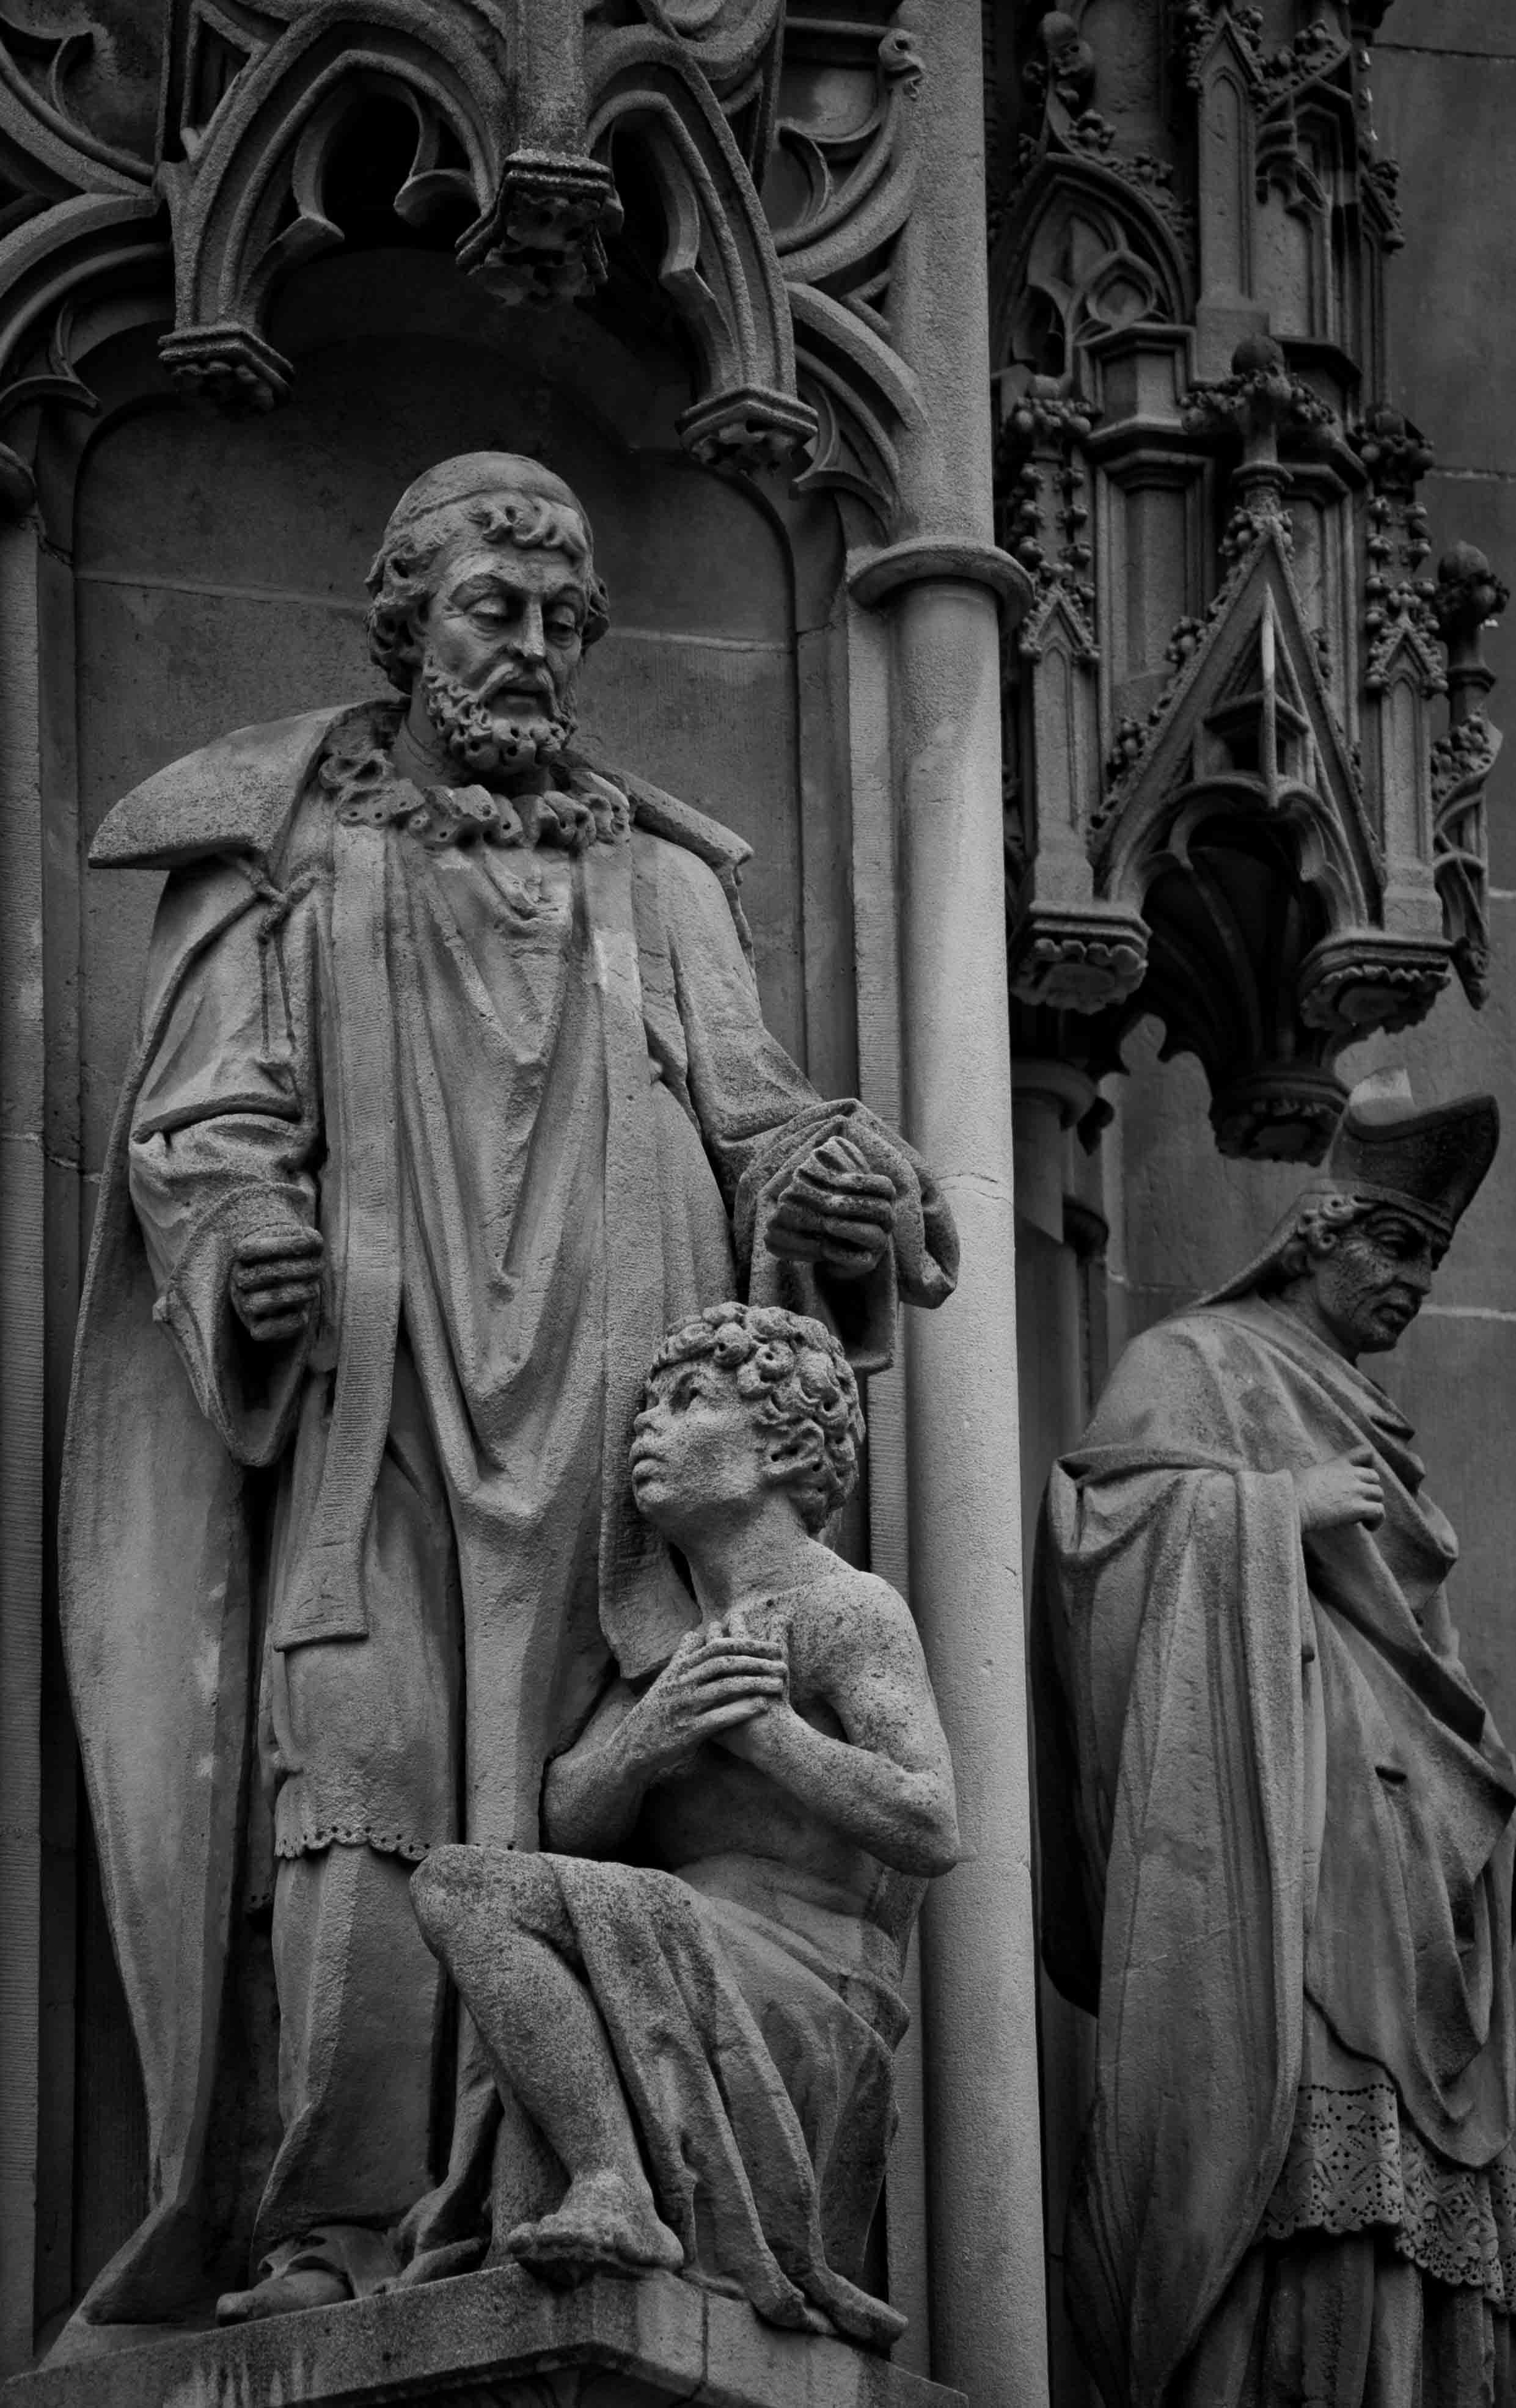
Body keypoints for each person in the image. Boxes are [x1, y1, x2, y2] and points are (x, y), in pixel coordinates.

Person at [60, 453, 958, 2334]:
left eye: (564, 617)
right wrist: (245, 1238)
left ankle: (583, 2185)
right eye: (494, 608)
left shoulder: (664, 878)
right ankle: (338, 2226)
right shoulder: (293, 853)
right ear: (409, 623)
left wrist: (829, 1182)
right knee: (357, 1781)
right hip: (377, 1418)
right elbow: (205, 1118)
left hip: (625, 1440)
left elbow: (757, 1110)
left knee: (609, 1789)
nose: (535, 645)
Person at [1033, 1070, 1516, 2407]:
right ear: (1316, 1234)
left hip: (1403, 1853)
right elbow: (1091, 1546)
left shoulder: (1371, 1421)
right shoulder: (1189, 1364)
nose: (1414, 1285)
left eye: (1432, 1261)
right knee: (1292, 2146)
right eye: (1395, 1247)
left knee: (1403, 2196)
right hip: (1273, 1837)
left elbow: (1425, 1658)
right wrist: (1273, 1506)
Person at [412, 1302, 958, 2346]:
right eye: (646, 1407)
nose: (647, 1430)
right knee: (463, 1888)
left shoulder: (845, 1608)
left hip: (805, 1972)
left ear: (783, 1446)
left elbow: (931, 1824)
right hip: (680, 1933)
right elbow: (569, 1813)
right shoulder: (669, 1649)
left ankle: (617, 2179)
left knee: (468, 1889)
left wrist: (771, 1737)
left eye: (688, 1400)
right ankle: (612, 2181)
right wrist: (647, 1736)